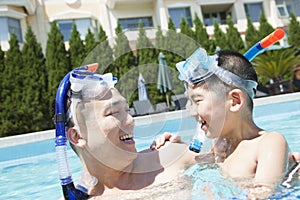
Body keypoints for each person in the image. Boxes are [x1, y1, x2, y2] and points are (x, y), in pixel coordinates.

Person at [151, 48, 299, 199]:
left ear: (235, 101)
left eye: (197, 101)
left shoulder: (269, 143)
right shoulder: (221, 146)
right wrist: (177, 146)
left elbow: (264, 194)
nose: (192, 112)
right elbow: (197, 161)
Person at [63, 63, 198, 199]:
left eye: (127, 110)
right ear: (77, 136)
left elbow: (218, 156)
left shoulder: (171, 158)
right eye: (113, 113)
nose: (130, 121)